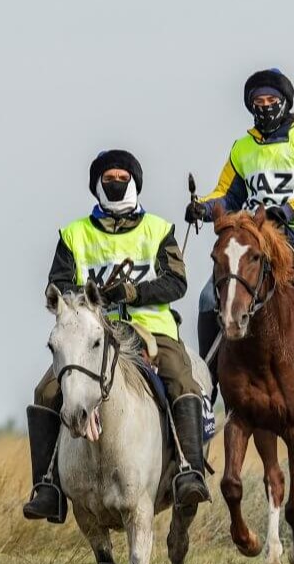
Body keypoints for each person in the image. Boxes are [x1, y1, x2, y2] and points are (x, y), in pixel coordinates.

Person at [23, 150, 210, 523]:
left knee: (181, 380)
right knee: (45, 391)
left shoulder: (158, 229)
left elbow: (177, 281)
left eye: (122, 176)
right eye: (108, 177)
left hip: (150, 328)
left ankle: (189, 469)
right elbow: (56, 284)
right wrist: (90, 295)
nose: (115, 181)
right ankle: (48, 486)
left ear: (134, 181)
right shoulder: (74, 234)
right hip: (92, 330)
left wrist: (133, 293)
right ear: (97, 184)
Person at [188, 68, 294, 367]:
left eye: (271, 99)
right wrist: (204, 207)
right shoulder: (242, 148)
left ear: (284, 102)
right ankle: (206, 378)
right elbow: (227, 194)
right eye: (258, 101)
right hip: (254, 239)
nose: (265, 106)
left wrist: (289, 210)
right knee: (207, 298)